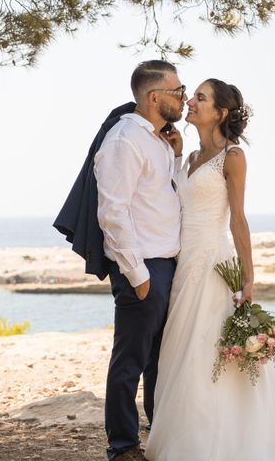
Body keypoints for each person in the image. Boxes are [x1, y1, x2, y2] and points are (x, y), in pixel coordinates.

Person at [144, 79, 275, 460]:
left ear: (220, 113)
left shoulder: (232, 157)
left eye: (200, 98)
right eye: (193, 96)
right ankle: (187, 439)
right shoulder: (190, 157)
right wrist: (176, 155)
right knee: (182, 353)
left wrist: (249, 277)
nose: (190, 102)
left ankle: (225, 442)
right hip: (183, 265)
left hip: (214, 264)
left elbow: (238, 220)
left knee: (209, 352)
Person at [94, 60, 186, 461]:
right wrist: (138, 275)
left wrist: (176, 156)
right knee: (130, 360)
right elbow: (113, 211)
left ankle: (158, 435)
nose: (183, 99)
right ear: (154, 97)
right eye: (178, 92)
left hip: (167, 264)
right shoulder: (124, 140)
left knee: (159, 362)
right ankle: (123, 446)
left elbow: (161, 199)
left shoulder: (157, 139)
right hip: (144, 266)